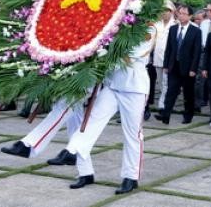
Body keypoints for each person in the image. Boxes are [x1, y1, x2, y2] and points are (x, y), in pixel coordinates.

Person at [61, 29, 155, 194]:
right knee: (91, 121)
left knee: (132, 134)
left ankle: (130, 177)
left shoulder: (149, 27)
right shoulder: (117, 21)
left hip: (134, 87)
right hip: (112, 84)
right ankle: (74, 155)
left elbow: (130, 56)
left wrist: (99, 58)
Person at [155, 5, 202, 124]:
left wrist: (193, 69)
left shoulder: (196, 31)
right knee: (171, 91)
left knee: (188, 93)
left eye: (184, 13)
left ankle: (188, 115)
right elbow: (169, 48)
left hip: (188, 68)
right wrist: (166, 65)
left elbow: (197, 52)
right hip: (173, 66)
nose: (181, 15)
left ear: (190, 16)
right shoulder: (173, 29)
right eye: (180, 13)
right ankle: (166, 115)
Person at [152, 0, 176, 111]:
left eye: (167, 11)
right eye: (163, 11)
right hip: (157, 58)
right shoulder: (157, 24)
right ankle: (164, 101)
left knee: (166, 82)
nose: (164, 13)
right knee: (160, 82)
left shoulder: (175, 25)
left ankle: (163, 105)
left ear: (171, 12)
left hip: (168, 59)